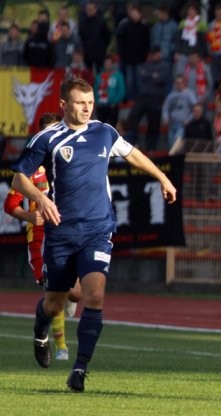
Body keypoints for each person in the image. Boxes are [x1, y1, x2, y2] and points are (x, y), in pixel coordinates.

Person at [10, 77, 177, 392]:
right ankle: (40, 330)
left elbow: (132, 154)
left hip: (98, 229)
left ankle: (79, 368)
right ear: (63, 105)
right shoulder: (47, 138)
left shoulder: (104, 132)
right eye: (80, 103)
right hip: (61, 233)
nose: (87, 108)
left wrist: (162, 177)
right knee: (55, 303)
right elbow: (19, 179)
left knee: (95, 295)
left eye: (90, 103)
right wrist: (42, 199)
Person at [3, 113, 82, 362]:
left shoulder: (68, 164)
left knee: (76, 294)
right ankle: (58, 344)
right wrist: (29, 216)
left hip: (66, 233)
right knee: (55, 294)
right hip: (40, 239)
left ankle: (63, 302)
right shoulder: (29, 169)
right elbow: (10, 205)